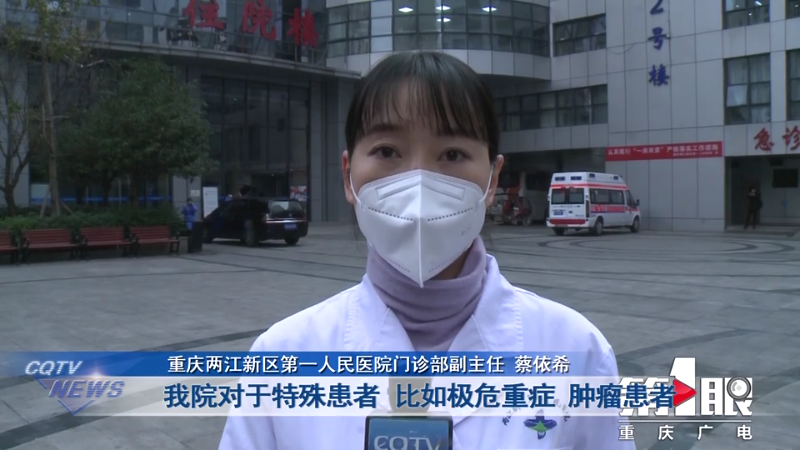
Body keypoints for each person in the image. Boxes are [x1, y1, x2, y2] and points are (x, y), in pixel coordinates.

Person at [219, 52, 633, 450]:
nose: (418, 182)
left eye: (452, 154)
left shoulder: (578, 352)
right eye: (387, 152)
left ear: (492, 180)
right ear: (348, 176)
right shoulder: (283, 357)